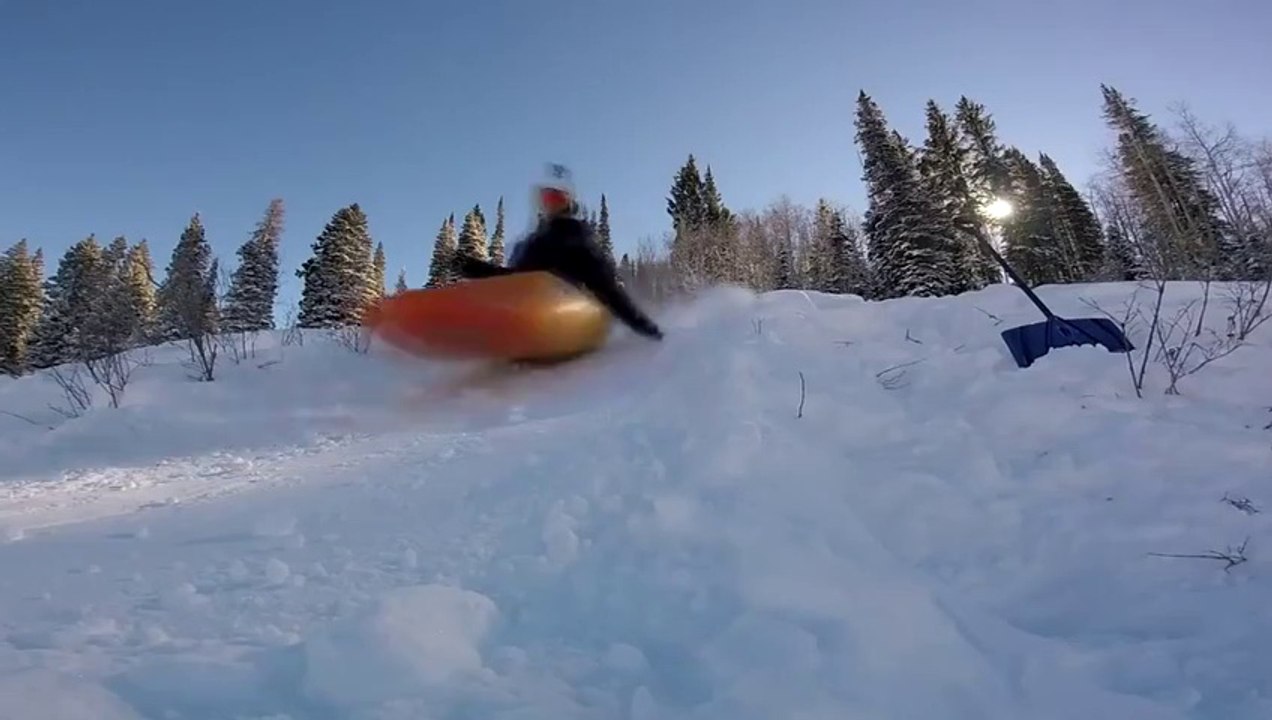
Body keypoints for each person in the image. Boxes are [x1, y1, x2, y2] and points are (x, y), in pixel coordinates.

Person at [456, 181, 664, 341]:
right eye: (547, 201)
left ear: (568, 205)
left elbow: (607, 288)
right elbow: (519, 279)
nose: (551, 206)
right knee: (528, 279)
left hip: (572, 301)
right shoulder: (537, 242)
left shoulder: (577, 238)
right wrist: (477, 270)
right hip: (534, 300)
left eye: (557, 200)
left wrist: (645, 327)